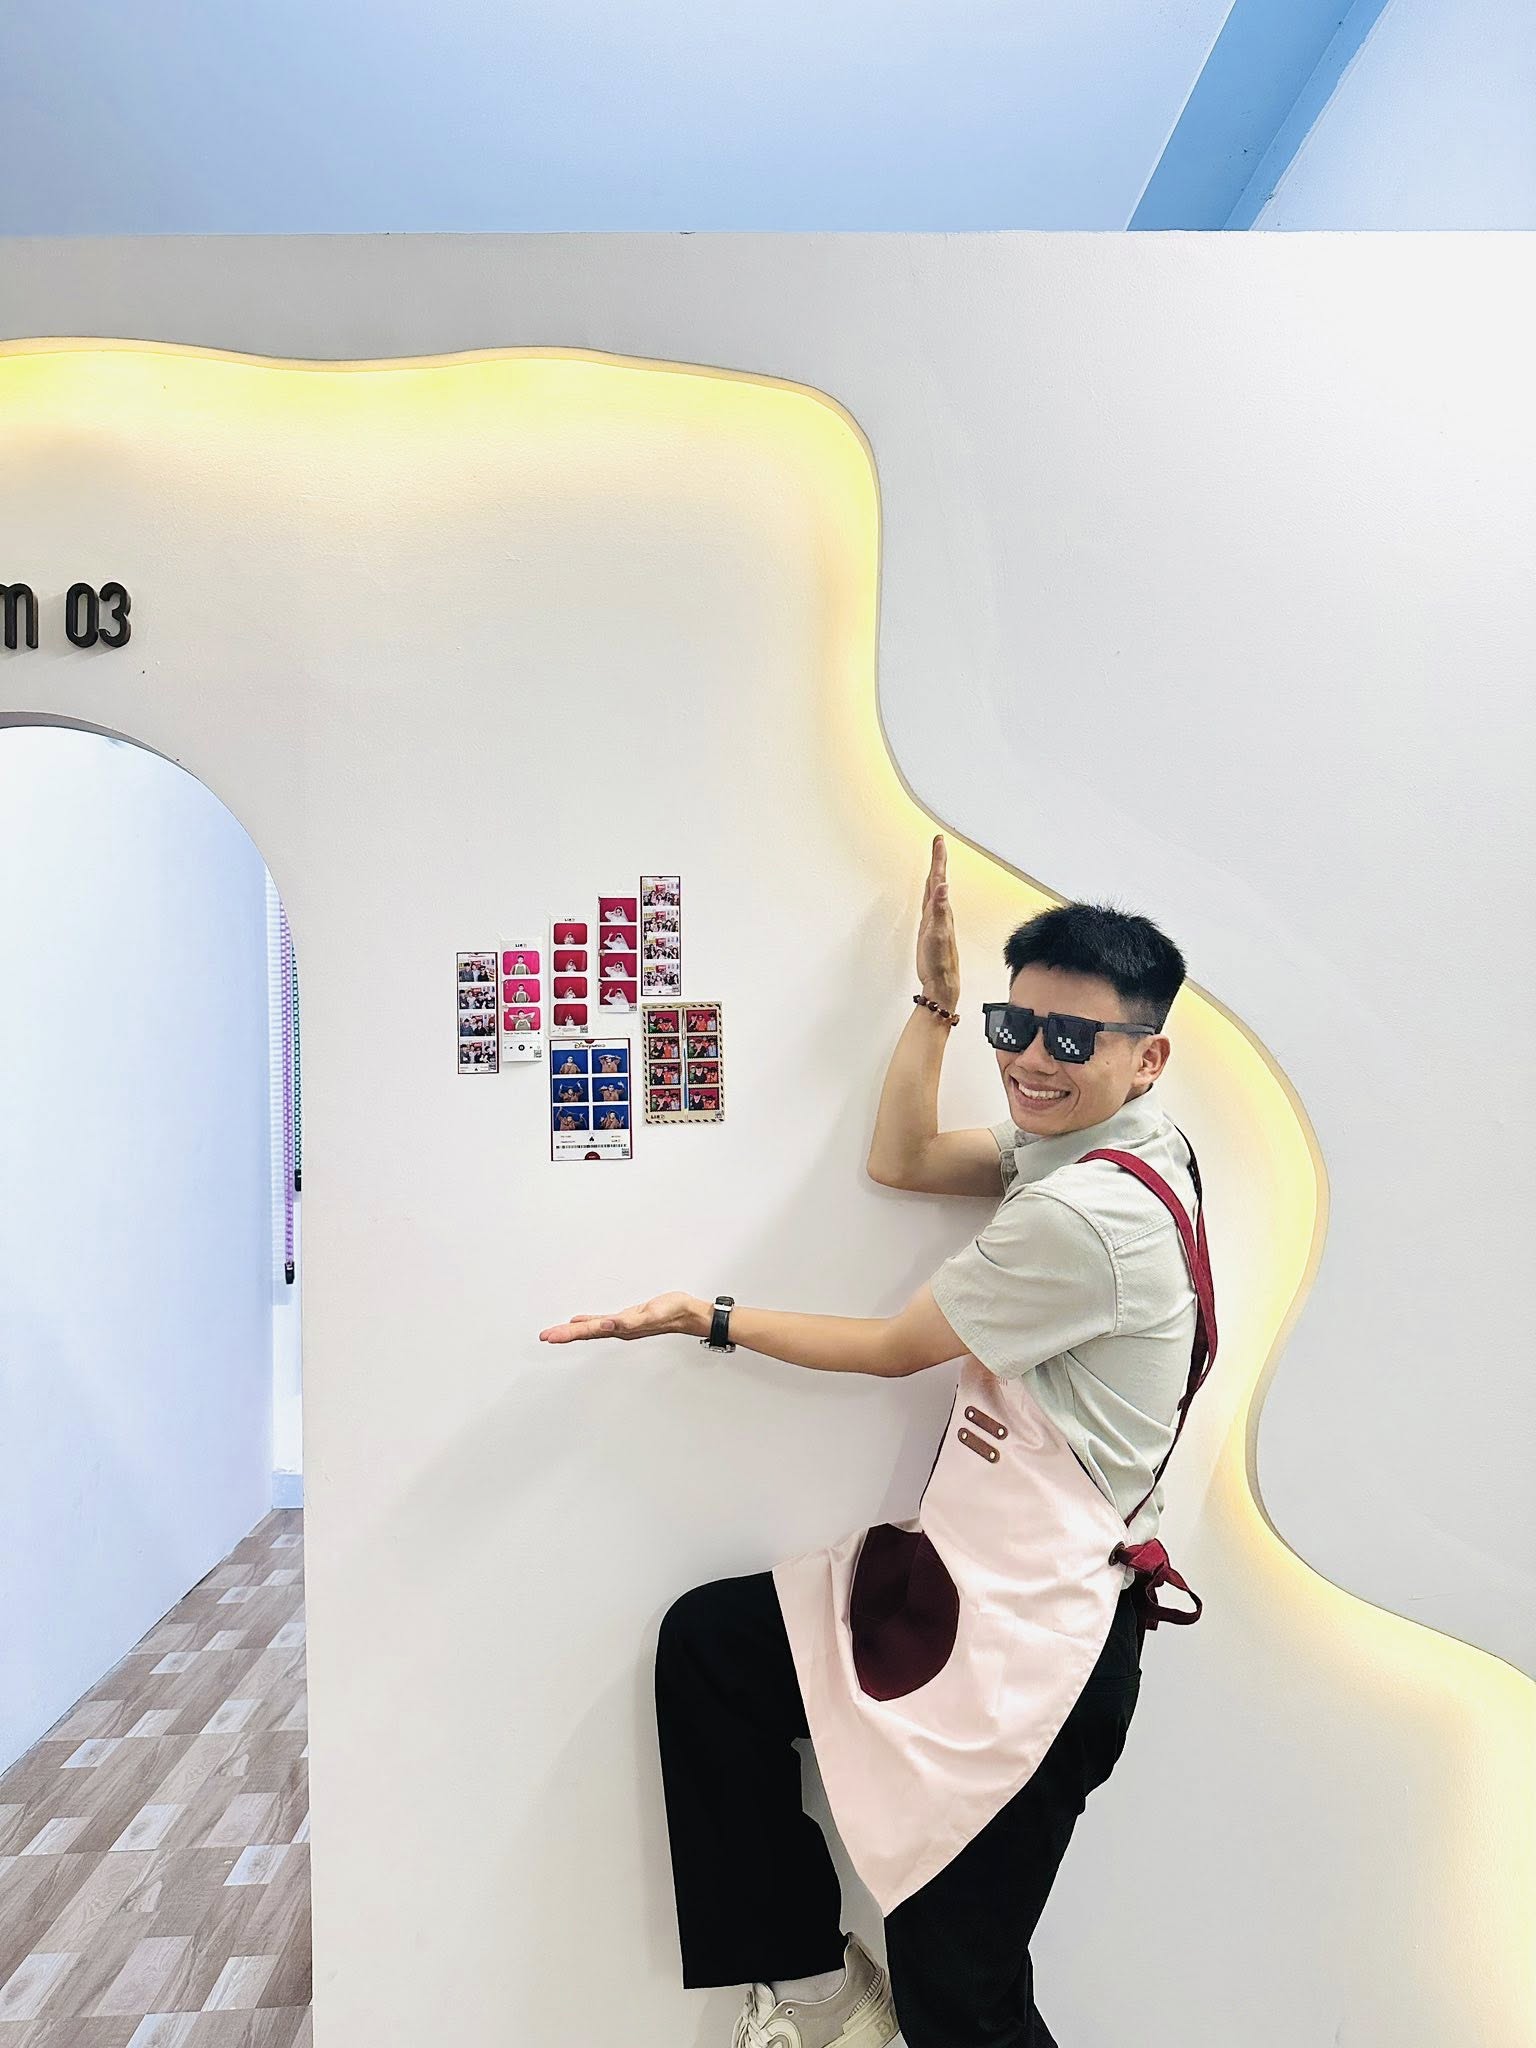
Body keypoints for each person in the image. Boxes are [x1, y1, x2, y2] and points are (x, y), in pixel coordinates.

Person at [539, 834, 1212, 2048]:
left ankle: (837, 1997)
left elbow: (895, 1346)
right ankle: (818, 1997)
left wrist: (707, 1315)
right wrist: (938, 1005)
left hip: (1046, 1648)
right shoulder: (1116, 1148)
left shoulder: (1083, 1215)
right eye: (1017, 1024)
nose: (1032, 1060)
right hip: (983, 1590)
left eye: (1072, 1038)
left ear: (1147, 1055)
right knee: (716, 1649)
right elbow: (900, 1157)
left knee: (963, 1998)